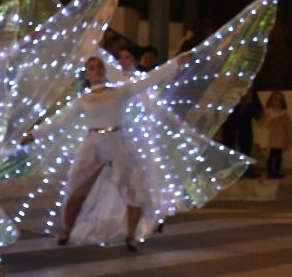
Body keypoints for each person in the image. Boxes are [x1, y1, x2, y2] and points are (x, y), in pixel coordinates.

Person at [22, 51, 194, 250]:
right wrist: (32, 135)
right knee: (77, 188)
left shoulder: (120, 91)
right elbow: (58, 121)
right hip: (93, 143)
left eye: (99, 67)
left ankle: (131, 236)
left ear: (105, 71)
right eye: (91, 68)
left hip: (118, 140)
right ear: (86, 74)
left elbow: (148, 80)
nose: (96, 70)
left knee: (133, 188)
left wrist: (173, 64)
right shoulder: (83, 100)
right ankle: (67, 230)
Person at [263, 91, 288, 179]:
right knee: (270, 155)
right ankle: (270, 172)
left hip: (280, 137)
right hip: (271, 136)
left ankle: (276, 172)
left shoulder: (284, 113)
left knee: (278, 155)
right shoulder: (268, 112)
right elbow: (263, 125)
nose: (277, 102)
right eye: (275, 99)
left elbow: (287, 126)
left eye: (279, 100)